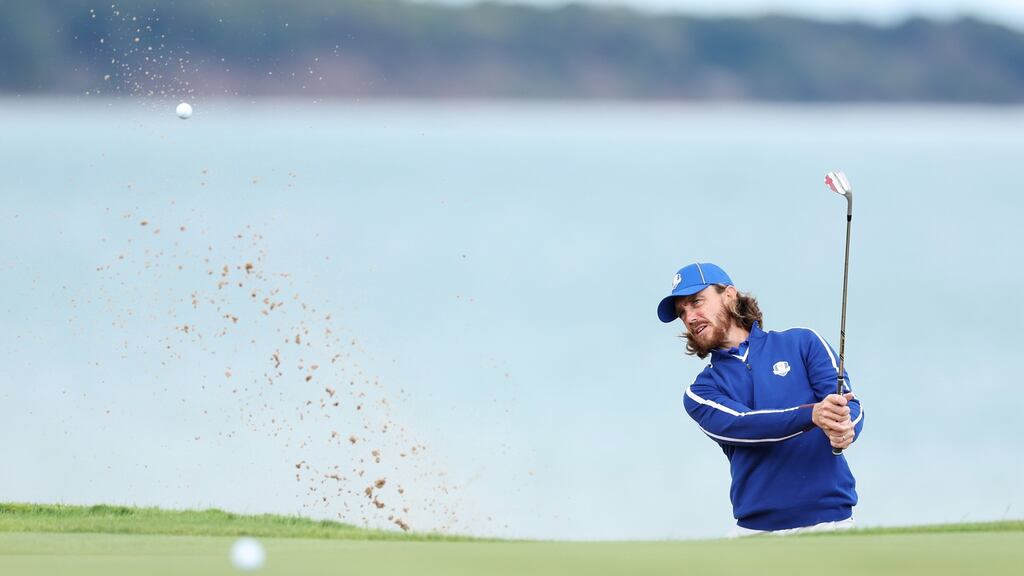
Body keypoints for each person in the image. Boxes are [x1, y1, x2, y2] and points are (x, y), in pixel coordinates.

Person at [657, 262, 864, 535]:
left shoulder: (803, 343)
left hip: (832, 522)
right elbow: (745, 425)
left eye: (696, 302)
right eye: (682, 312)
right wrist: (812, 415)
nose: (690, 317)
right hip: (756, 534)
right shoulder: (701, 391)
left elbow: (848, 406)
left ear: (729, 295)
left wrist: (846, 428)